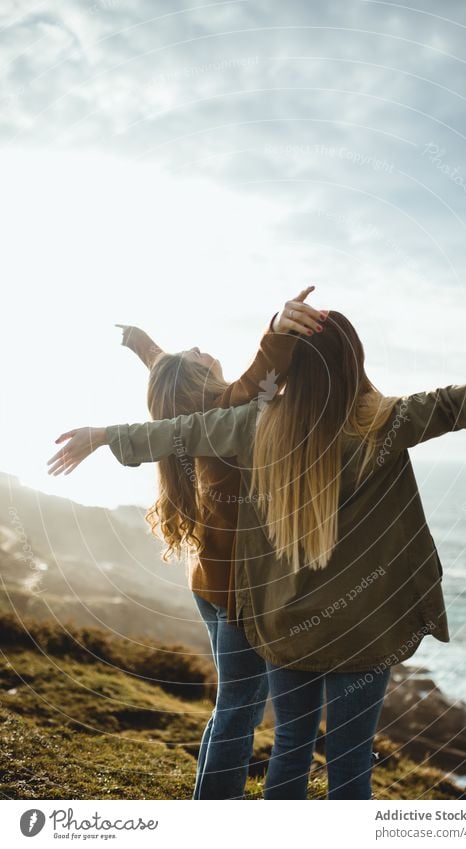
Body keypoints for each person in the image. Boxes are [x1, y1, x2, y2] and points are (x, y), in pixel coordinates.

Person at [47, 311, 466, 799]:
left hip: (281, 617)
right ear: (354, 363)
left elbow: (177, 428)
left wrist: (107, 429)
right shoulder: (385, 421)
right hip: (351, 624)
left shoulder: (252, 423)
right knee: (342, 755)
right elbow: (465, 401)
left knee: (289, 738)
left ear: (291, 370)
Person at [58, 286, 325, 800]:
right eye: (197, 356)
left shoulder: (185, 407)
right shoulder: (224, 405)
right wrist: (279, 325)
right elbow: (261, 368)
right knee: (241, 708)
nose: (202, 348)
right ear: (200, 380)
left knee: (237, 702)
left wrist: (140, 341)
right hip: (237, 591)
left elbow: (165, 368)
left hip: (210, 582)